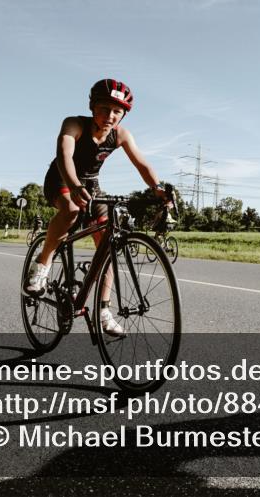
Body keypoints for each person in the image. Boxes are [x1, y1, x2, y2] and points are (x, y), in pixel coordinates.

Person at [23, 78, 169, 337]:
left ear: (123, 115)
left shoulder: (121, 135)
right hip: (61, 178)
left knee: (108, 245)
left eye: (117, 111)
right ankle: (41, 265)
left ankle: (104, 310)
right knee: (71, 210)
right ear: (92, 107)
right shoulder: (74, 124)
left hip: (91, 185)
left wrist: (158, 188)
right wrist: (73, 184)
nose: (110, 116)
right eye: (103, 108)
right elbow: (64, 154)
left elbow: (142, 165)